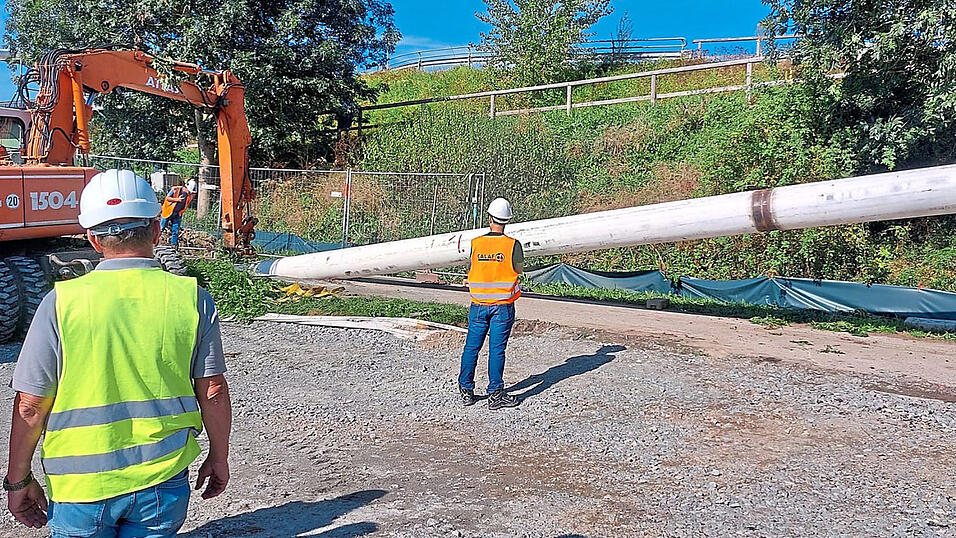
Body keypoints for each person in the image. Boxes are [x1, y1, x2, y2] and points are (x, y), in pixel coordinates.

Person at [5, 169, 231, 537]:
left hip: (81, 486)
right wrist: (219, 457)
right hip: (162, 477)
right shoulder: (191, 298)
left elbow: (30, 405)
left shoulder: (61, 303)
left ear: (93, 238)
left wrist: (18, 480)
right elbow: (214, 391)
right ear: (157, 230)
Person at [458, 197, 524, 410]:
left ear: (489, 218)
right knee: (497, 350)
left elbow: (473, 266)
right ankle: (495, 394)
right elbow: (519, 269)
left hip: (478, 305)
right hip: (502, 306)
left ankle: (466, 391)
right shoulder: (513, 245)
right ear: (507, 220)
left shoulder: (476, 244)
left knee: (471, 347)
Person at [160, 179, 197, 247]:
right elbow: (167, 198)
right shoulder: (175, 189)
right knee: (161, 228)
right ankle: (154, 243)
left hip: (177, 214)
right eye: (189, 191)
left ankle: (173, 246)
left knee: (175, 231)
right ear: (185, 187)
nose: (190, 193)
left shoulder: (189, 195)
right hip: (168, 211)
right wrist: (177, 200)